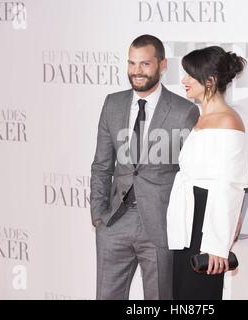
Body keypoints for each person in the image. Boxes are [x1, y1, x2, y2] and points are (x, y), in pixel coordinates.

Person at [90, 34, 200, 300]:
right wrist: (98, 214)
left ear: (162, 65)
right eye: (131, 63)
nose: (136, 71)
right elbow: (102, 165)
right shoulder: (112, 104)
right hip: (115, 221)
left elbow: (191, 175)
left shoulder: (184, 111)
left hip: (160, 225)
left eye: (145, 64)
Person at [166, 46, 248, 300]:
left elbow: (229, 186)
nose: (184, 81)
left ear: (210, 80)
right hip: (188, 219)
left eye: (190, 75)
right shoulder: (201, 118)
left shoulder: (228, 121)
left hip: (206, 222)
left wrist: (217, 245)